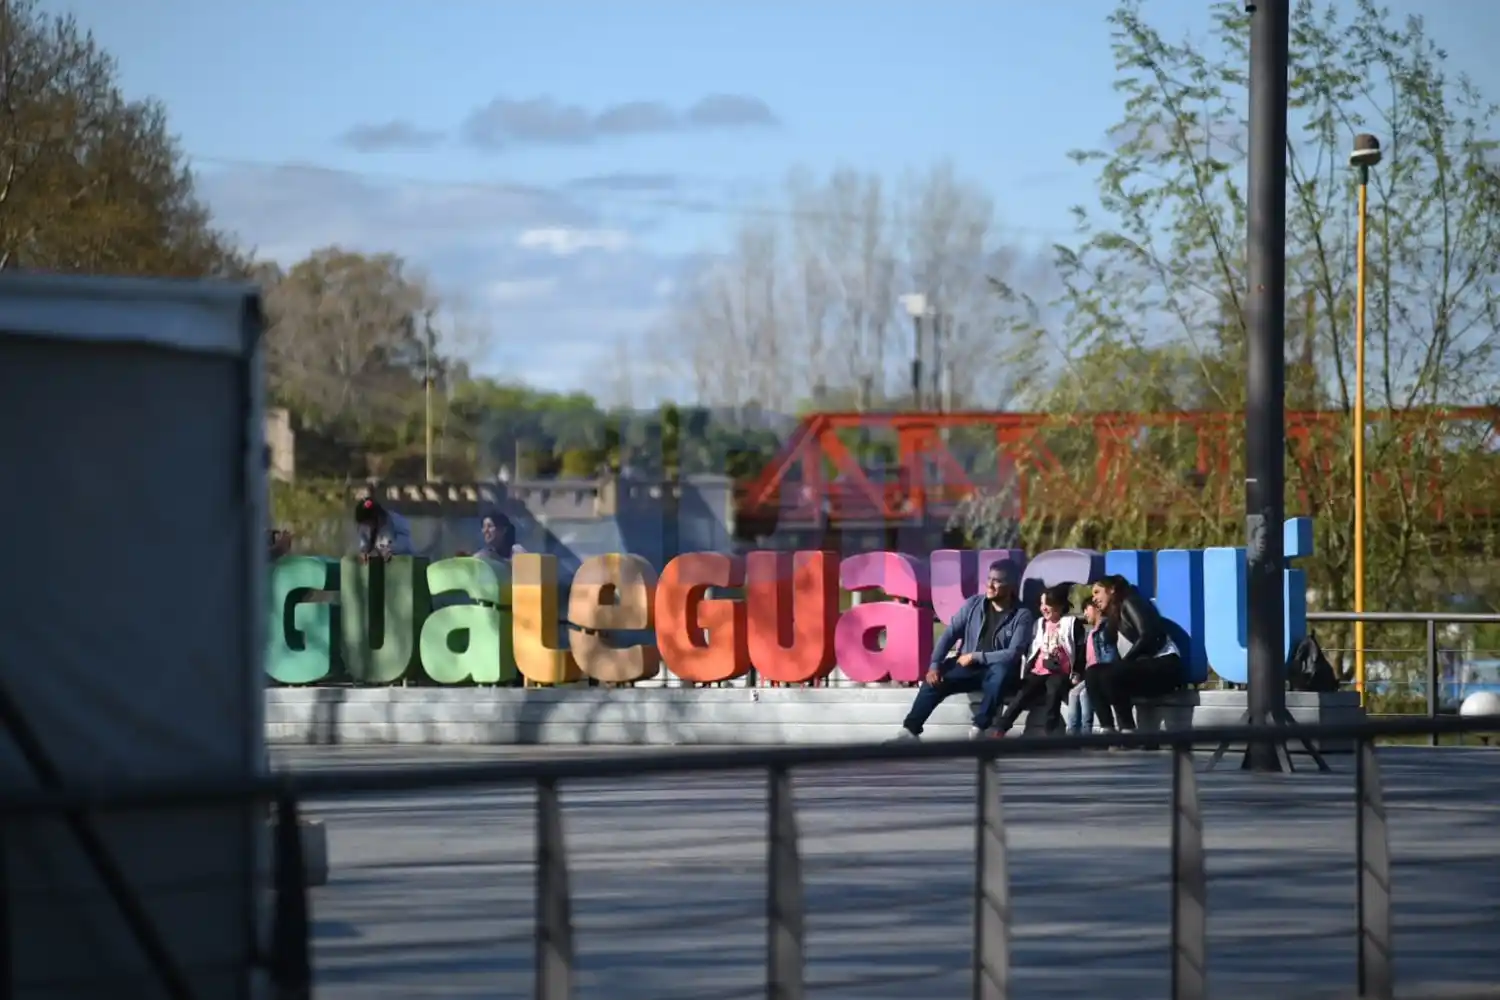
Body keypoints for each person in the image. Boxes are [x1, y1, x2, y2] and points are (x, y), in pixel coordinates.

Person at [891, 562, 1035, 741]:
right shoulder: (973, 604)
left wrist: (976, 656)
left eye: (997, 581)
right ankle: (910, 731)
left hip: (997, 670)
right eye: (989, 579)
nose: (990, 585)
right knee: (935, 678)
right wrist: (935, 664)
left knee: (1001, 672)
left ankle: (979, 728)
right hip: (967, 667)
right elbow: (949, 635)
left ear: (1011, 586)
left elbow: (1013, 653)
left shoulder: (1022, 615)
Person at [1084, 574, 1185, 734]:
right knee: (1092, 673)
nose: (1094, 598)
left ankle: (1128, 731)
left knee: (1113, 673)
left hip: (1165, 666)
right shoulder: (1113, 616)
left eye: (1097, 592)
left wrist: (1125, 662)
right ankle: (1107, 729)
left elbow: (1148, 636)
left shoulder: (1130, 602)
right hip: (1140, 668)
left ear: (1111, 590)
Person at [993, 584, 1084, 737]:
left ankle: (1050, 733)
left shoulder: (1071, 623)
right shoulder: (1039, 623)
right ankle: (1000, 729)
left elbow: (1081, 649)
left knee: (1053, 694)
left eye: (1047, 604)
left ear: (1060, 605)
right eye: (1041, 604)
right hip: (1038, 671)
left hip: (1060, 672)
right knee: (1022, 694)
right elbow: (1031, 648)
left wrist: (1077, 673)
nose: (1044, 608)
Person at [1067, 596, 1117, 736]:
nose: (1085, 614)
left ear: (1097, 608)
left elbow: (1110, 656)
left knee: (1084, 694)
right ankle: (1072, 734)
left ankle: (1086, 734)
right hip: (1090, 675)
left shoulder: (1105, 629)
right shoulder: (1090, 634)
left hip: (1101, 675)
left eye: (1086, 609)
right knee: (1073, 693)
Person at [353, 497, 414, 561]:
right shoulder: (363, 527)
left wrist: (391, 549)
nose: (368, 525)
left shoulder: (396, 521)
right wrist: (363, 553)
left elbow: (405, 544)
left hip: (403, 560)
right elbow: (364, 545)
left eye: (369, 522)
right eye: (365, 523)